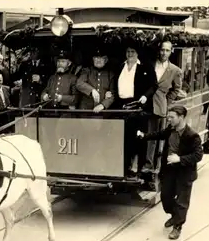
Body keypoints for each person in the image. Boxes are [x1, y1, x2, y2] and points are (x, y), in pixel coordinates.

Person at [137, 105, 203, 240]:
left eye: (172, 117)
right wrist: (144, 136)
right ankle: (175, 215)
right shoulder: (170, 129)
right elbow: (159, 134)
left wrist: (180, 159)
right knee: (166, 197)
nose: (169, 120)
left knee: (182, 201)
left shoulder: (192, 136)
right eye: (168, 117)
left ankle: (177, 226)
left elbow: (198, 155)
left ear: (182, 117)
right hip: (169, 170)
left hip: (184, 172)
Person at [114, 44, 158, 177]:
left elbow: (154, 85)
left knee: (137, 137)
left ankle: (137, 169)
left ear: (137, 53)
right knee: (124, 138)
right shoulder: (120, 66)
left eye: (133, 51)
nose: (130, 54)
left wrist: (145, 96)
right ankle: (124, 167)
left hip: (138, 105)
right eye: (128, 51)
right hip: (122, 106)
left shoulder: (145, 66)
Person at [142, 41, 183, 173]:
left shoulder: (175, 70)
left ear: (171, 51)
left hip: (160, 107)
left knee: (156, 137)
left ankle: (155, 167)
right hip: (145, 104)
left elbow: (176, 89)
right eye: (162, 50)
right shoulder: (150, 64)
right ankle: (145, 165)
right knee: (145, 135)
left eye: (167, 50)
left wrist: (167, 101)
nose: (164, 53)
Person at [76, 47, 116, 111]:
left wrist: (103, 105)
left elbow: (113, 94)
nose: (98, 60)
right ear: (93, 59)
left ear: (106, 60)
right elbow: (79, 83)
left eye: (101, 58)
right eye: (96, 58)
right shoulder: (86, 71)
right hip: (85, 110)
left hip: (102, 111)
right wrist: (92, 90)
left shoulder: (110, 74)